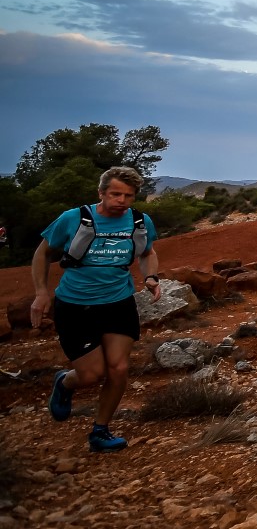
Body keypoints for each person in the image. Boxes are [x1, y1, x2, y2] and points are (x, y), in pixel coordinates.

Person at [31, 166, 160, 452]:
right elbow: (43, 252)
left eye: (128, 195)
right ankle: (65, 384)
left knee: (119, 368)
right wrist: (41, 292)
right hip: (76, 305)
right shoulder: (73, 218)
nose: (121, 200)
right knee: (91, 375)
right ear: (101, 192)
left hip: (118, 302)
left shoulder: (140, 221)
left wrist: (151, 276)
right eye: (115, 194)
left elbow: (147, 253)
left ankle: (100, 432)